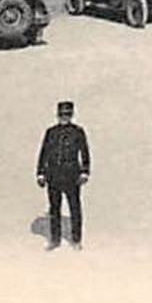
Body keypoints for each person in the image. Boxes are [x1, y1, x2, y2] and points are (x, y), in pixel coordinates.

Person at [36, 100, 90, 251]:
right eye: (62, 114)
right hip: (53, 175)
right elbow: (44, 153)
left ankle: (76, 240)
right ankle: (54, 240)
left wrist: (85, 171)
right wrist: (40, 173)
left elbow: (84, 152)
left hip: (72, 176)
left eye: (67, 114)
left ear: (72, 115)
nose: (64, 117)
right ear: (57, 115)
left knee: (75, 208)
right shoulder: (51, 132)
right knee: (54, 209)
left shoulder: (78, 132)